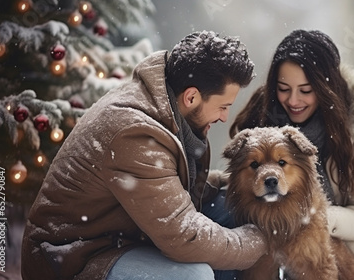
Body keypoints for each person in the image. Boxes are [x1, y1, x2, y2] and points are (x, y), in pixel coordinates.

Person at [21, 30, 267, 280]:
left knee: (229, 204)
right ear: (191, 97)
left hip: (124, 237)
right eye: (223, 106)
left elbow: (168, 187)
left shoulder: (165, 109)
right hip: (72, 258)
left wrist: (235, 183)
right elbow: (183, 235)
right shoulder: (135, 132)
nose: (225, 117)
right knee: (193, 275)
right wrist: (261, 240)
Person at [230, 29, 354, 279]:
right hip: (262, 240)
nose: (293, 100)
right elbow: (242, 186)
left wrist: (316, 216)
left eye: (306, 90)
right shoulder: (257, 118)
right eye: (284, 88)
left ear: (327, 88)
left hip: (332, 248)